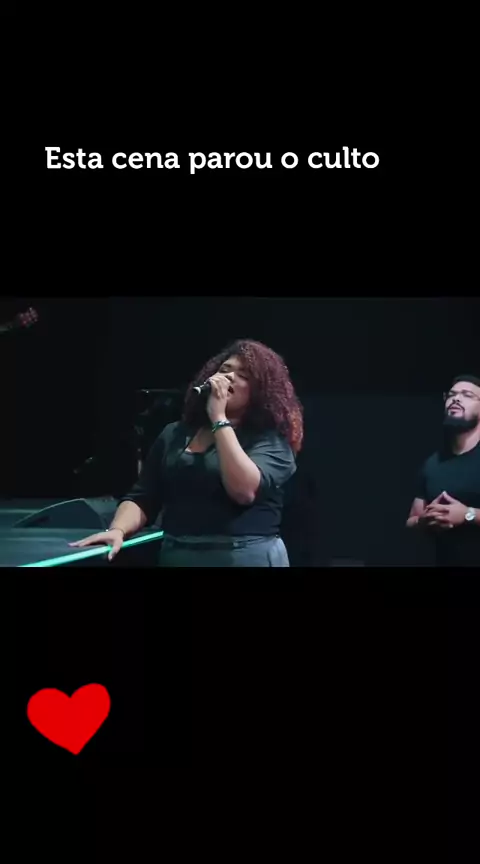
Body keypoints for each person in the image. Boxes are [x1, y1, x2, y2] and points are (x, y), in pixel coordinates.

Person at [70, 339, 303, 566]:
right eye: (225, 369)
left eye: (243, 375)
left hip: (243, 555)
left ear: (259, 392)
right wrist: (118, 529)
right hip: (178, 553)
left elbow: (244, 491)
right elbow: (143, 496)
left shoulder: (270, 439)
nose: (229, 377)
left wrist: (219, 418)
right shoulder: (175, 434)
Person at [406, 374, 480, 566]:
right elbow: (412, 519)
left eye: (467, 395)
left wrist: (468, 515)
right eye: (452, 395)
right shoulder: (433, 464)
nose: (456, 399)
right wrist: (425, 521)